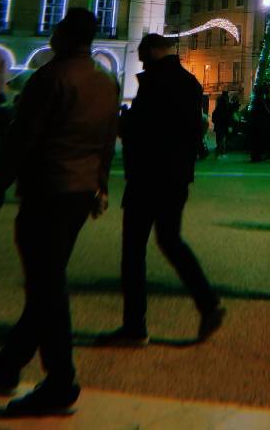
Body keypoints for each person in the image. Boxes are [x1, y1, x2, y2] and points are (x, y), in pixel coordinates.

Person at [0, 9, 119, 416]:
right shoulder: (105, 82)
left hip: (48, 188)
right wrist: (101, 185)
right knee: (48, 278)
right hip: (80, 190)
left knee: (46, 285)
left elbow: (22, 139)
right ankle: (9, 364)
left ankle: (60, 380)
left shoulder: (50, 79)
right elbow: (108, 140)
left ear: (62, 36)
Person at [96, 33, 224, 347]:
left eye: (141, 53)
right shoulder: (190, 83)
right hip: (176, 176)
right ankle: (207, 302)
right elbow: (193, 129)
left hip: (147, 176)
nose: (139, 59)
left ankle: (134, 326)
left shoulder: (155, 83)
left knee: (134, 250)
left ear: (154, 50)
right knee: (170, 239)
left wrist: (122, 125)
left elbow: (142, 129)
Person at [212, 90, 232, 157]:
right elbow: (228, 116)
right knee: (223, 138)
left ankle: (218, 151)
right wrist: (229, 125)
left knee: (218, 138)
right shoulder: (226, 106)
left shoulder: (218, 106)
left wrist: (215, 122)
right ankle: (222, 152)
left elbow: (214, 115)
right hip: (223, 125)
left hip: (218, 125)